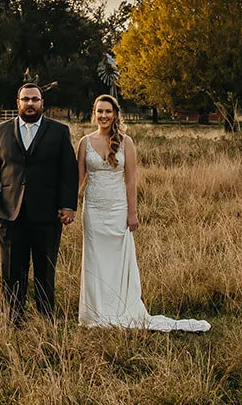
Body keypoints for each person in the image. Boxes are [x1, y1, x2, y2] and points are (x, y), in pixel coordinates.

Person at [77, 94, 209, 332]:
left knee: (118, 260)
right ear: (94, 114)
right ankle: (96, 311)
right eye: (100, 111)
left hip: (118, 209)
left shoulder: (126, 142)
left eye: (108, 111)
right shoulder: (84, 142)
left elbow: (131, 182)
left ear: (115, 114)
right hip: (93, 210)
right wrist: (66, 206)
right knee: (95, 259)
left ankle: (120, 307)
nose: (104, 116)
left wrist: (132, 213)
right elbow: (78, 180)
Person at [0, 82, 78, 326]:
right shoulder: (1, 130)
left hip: (47, 214)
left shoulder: (59, 131)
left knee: (45, 270)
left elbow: (68, 171)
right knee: (12, 270)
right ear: (18, 103)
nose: (30, 103)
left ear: (42, 103)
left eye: (35, 99)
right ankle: (14, 318)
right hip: (9, 213)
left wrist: (68, 205)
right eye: (25, 99)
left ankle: (46, 319)